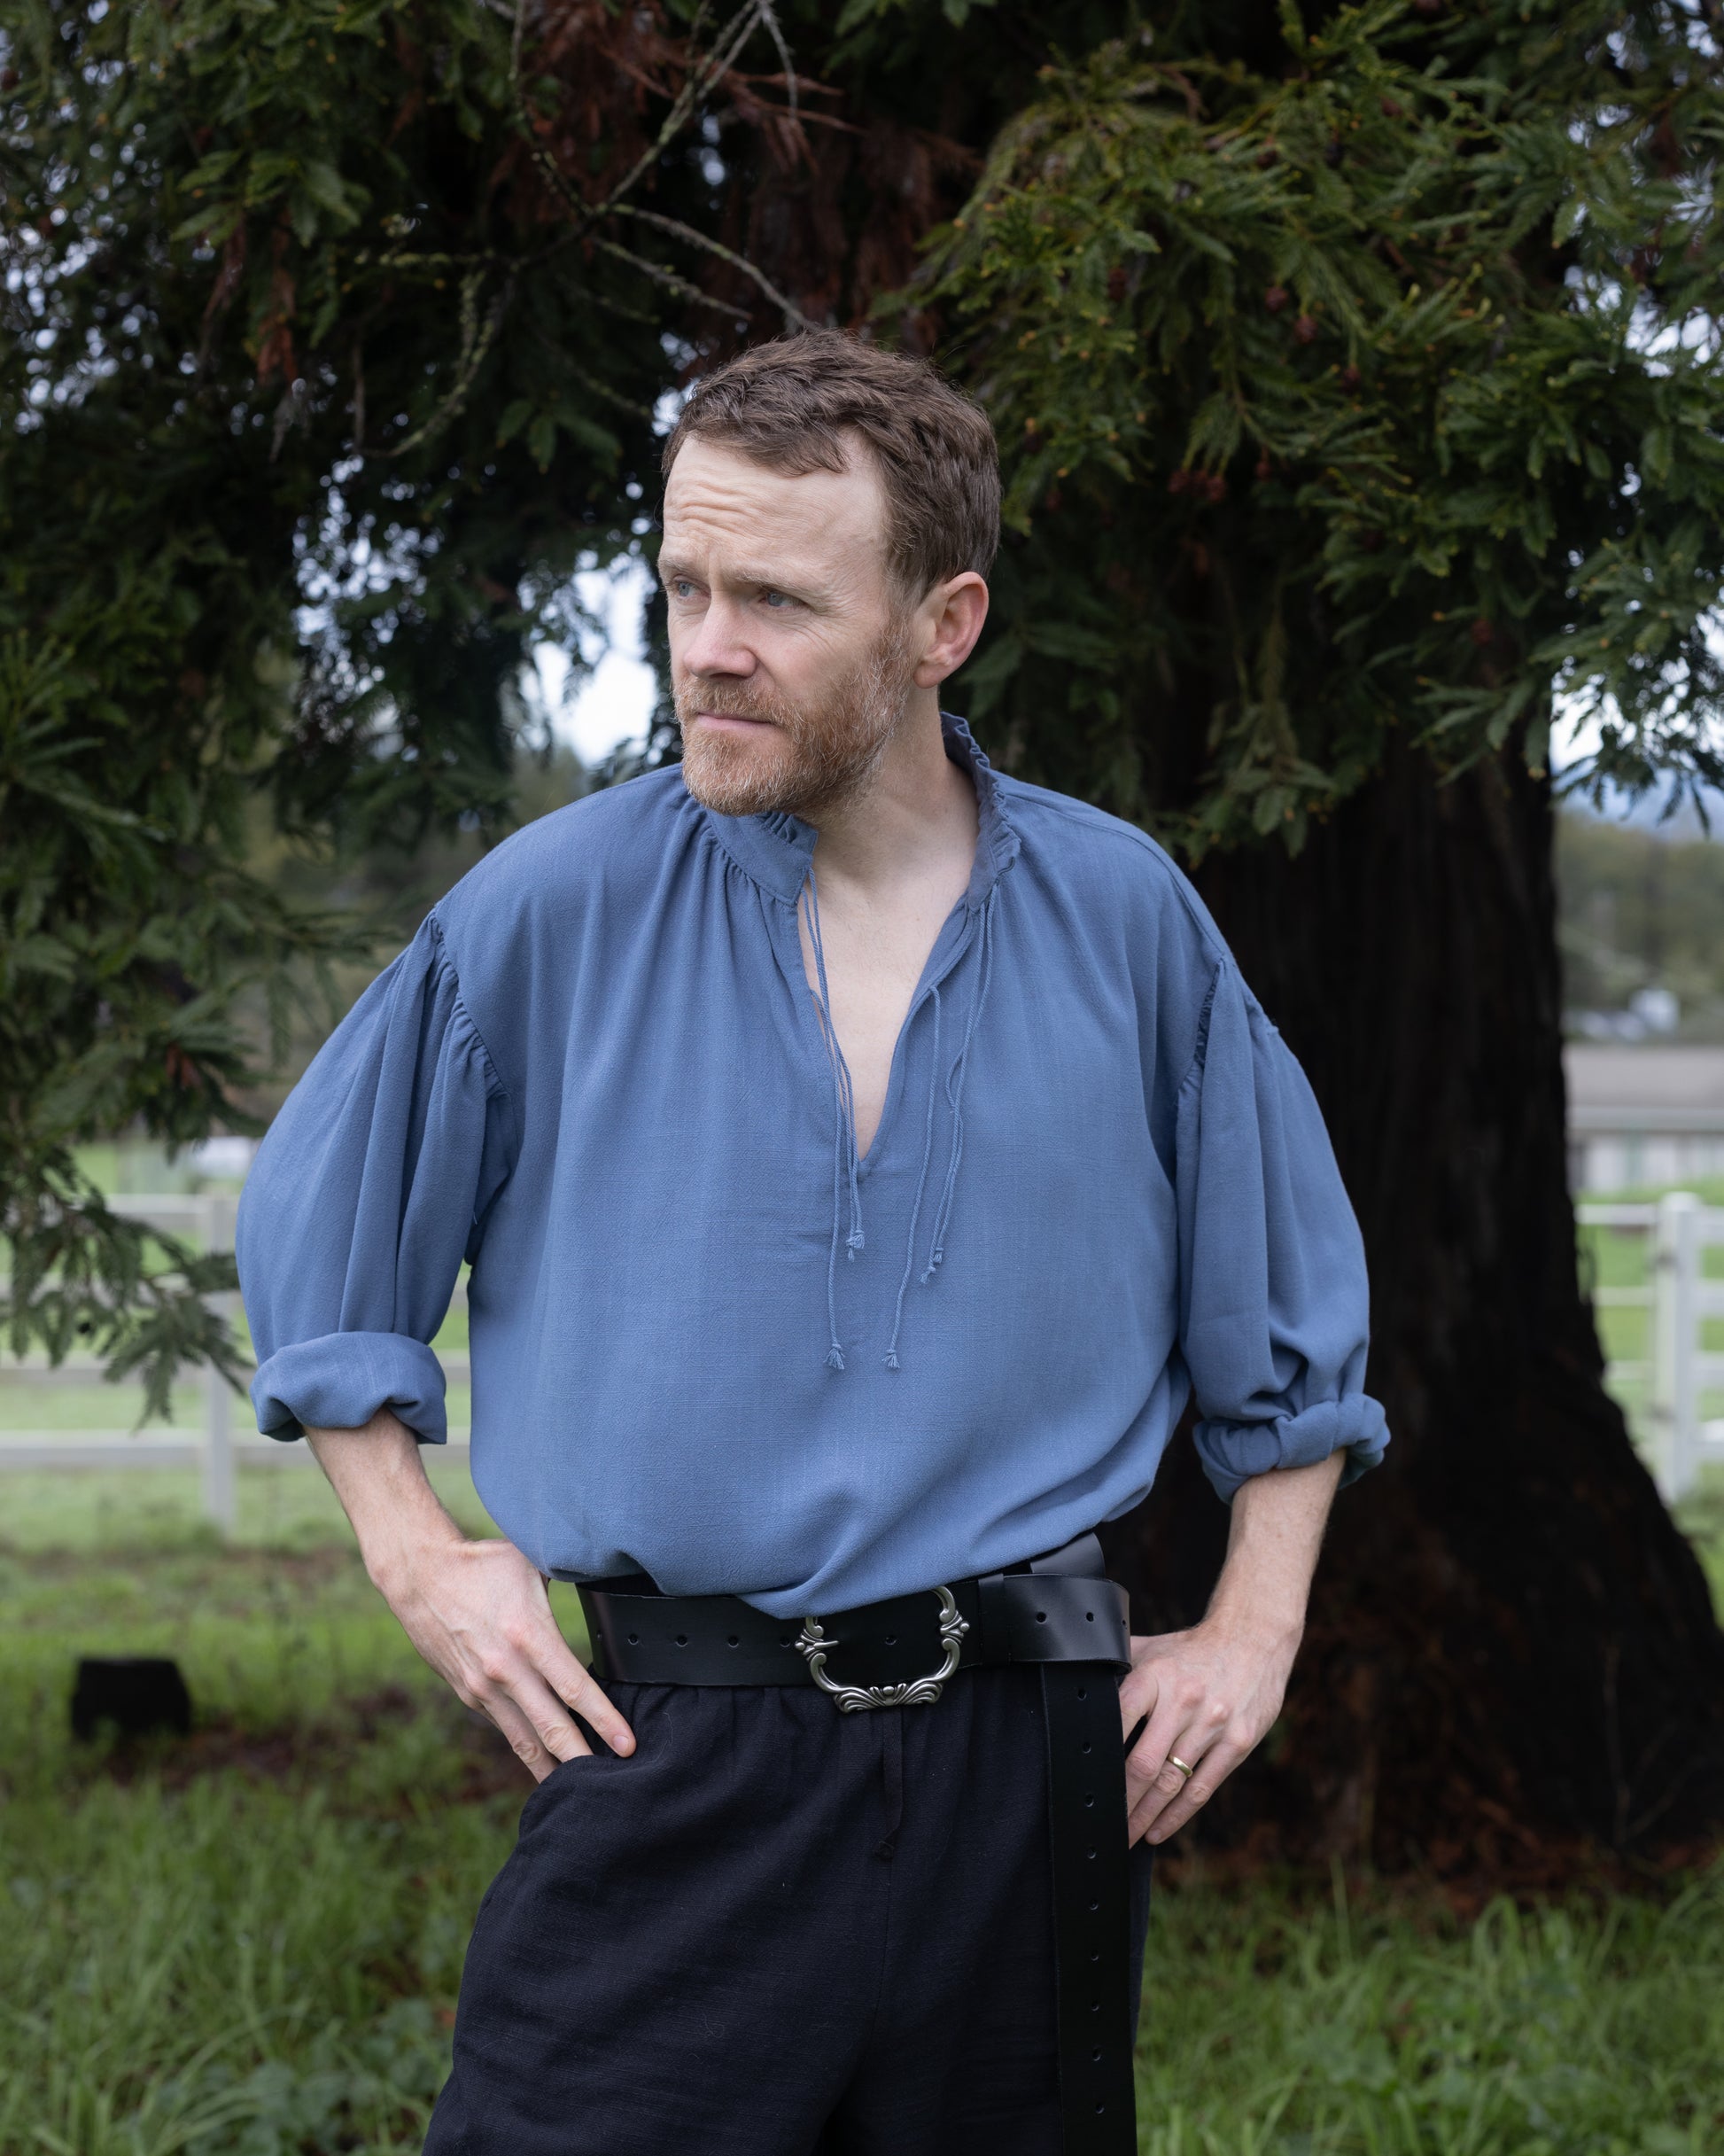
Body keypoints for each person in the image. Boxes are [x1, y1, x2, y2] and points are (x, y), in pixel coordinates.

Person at [237, 330, 1387, 2156]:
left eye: (773, 596)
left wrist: (1253, 1625)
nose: (705, 645)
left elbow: (1289, 1321)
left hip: (1029, 1771)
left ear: (942, 625)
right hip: (671, 1755)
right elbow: (327, 1244)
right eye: (683, 586)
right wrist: (417, 1555)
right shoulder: (551, 909)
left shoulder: (1125, 920)